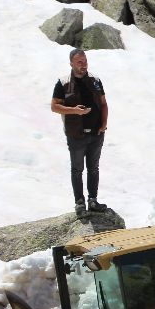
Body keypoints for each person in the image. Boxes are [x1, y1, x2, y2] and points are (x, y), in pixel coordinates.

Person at [51, 48, 109, 216]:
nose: (84, 65)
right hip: (76, 134)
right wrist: (74, 111)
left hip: (96, 134)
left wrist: (104, 124)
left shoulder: (95, 80)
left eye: (85, 61)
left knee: (93, 168)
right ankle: (79, 203)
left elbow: (104, 103)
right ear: (71, 63)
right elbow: (54, 106)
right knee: (77, 169)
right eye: (79, 62)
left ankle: (93, 200)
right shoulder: (63, 83)